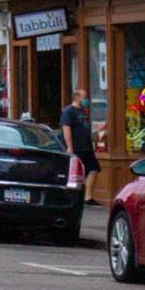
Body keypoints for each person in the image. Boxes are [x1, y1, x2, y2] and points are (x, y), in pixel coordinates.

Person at [60, 94, 101, 244]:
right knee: (74, 174)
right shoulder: (68, 112)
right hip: (77, 148)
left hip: (87, 148)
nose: (86, 100)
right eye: (84, 97)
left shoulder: (83, 113)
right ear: (77, 97)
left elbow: (87, 129)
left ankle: (87, 197)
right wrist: (70, 147)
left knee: (94, 169)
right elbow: (66, 129)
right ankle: (75, 196)